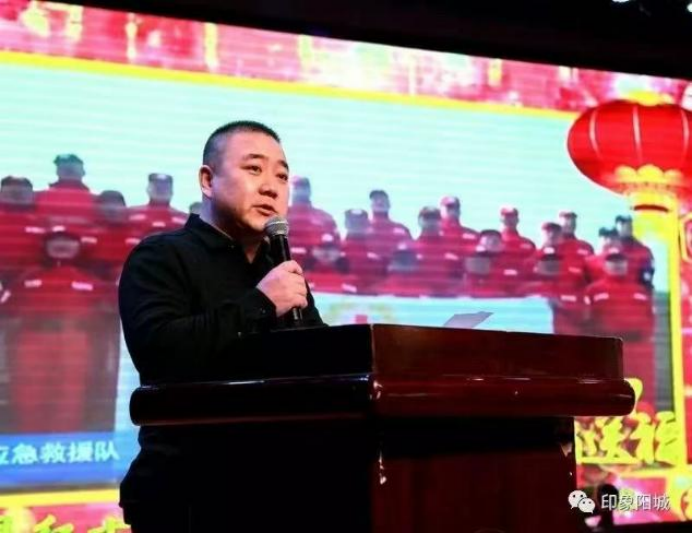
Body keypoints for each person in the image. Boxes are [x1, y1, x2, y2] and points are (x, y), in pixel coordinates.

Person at [118, 121, 324, 532]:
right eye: (254, 169)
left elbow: (323, 364)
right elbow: (160, 352)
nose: (271, 187)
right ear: (207, 181)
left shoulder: (280, 270)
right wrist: (261, 303)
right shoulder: (162, 256)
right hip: (188, 494)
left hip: (283, 492)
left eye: (282, 176)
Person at [286, 176, 339, 262]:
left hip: (313, 266)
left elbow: (336, 247)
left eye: (303, 187)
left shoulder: (324, 217)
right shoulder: (280, 214)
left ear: (309, 190)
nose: (300, 191)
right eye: (296, 187)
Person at [35, 154, 98, 225]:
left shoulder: (97, 200)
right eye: (64, 167)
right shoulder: (38, 197)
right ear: (57, 171)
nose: (68, 168)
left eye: (72, 168)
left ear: (83, 172)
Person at [367, 189, 412, 262]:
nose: (379, 202)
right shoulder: (362, 228)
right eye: (375, 199)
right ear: (371, 205)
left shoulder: (402, 229)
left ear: (389, 204)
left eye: (383, 199)